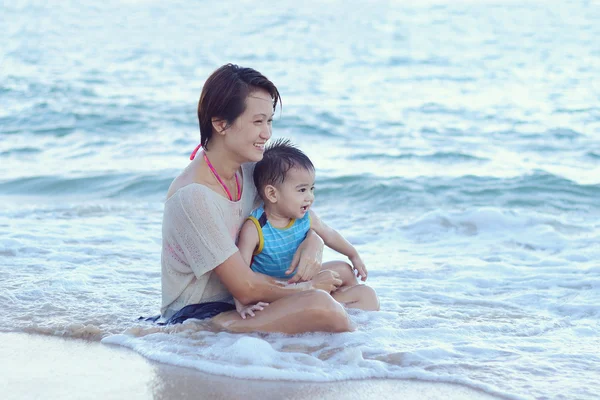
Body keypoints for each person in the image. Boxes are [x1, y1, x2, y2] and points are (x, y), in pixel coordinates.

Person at [233, 139, 379, 319]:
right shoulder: (255, 228)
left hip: (302, 280)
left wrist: (353, 255)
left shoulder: (306, 217)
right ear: (272, 194)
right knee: (336, 294)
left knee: (346, 271)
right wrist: (242, 306)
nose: (310, 197)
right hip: (276, 291)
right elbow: (239, 274)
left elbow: (330, 234)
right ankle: (331, 310)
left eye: (312, 189)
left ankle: (346, 314)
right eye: (302, 190)